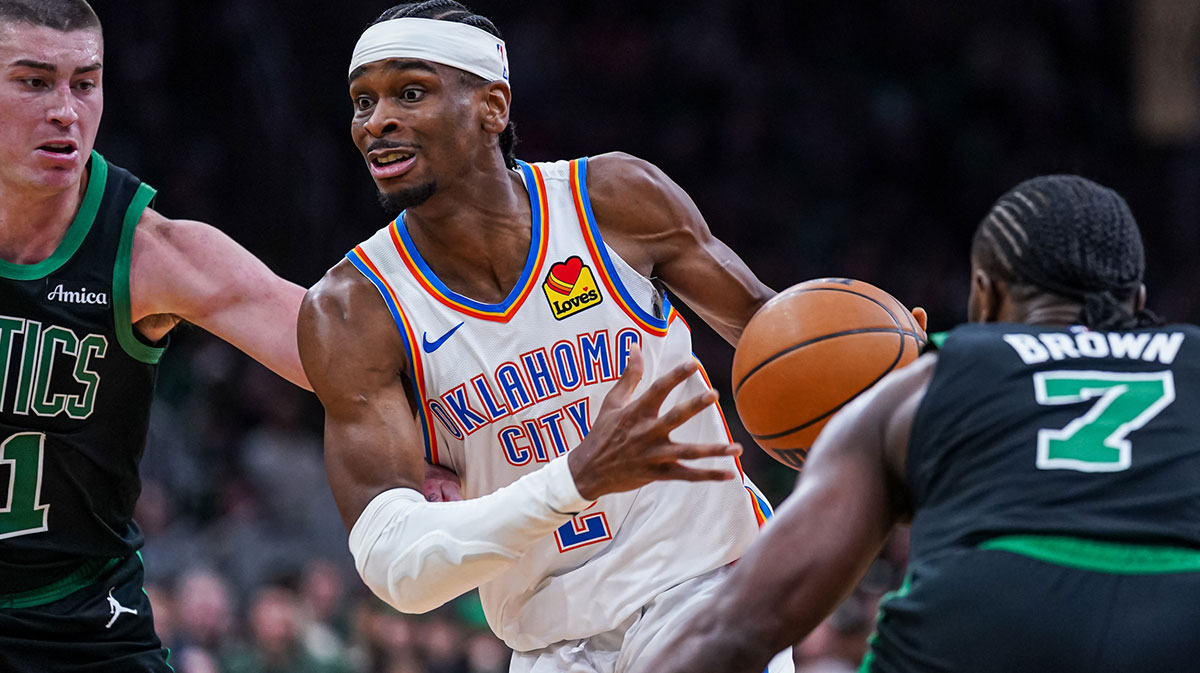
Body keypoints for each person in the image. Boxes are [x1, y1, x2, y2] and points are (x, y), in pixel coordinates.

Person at [297, 2, 792, 672]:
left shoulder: (612, 201)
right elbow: (397, 568)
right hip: (548, 644)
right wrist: (574, 478)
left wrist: (883, 373)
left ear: (491, 106)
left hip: (706, 585)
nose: (376, 121)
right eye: (362, 101)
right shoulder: (354, 308)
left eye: (410, 93)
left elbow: (779, 342)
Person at [634, 175, 1200, 673]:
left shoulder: (919, 387)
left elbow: (739, 628)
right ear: (1139, 300)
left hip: (978, 620)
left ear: (986, 293)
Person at [0, 1, 313, 670]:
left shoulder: (148, 251)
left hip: (79, 620)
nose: (66, 110)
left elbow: (341, 355)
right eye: (33, 81)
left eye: (84, 83)